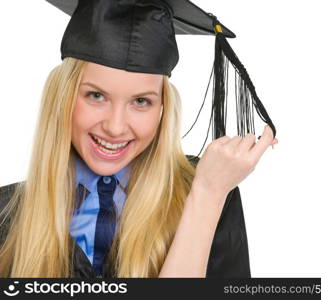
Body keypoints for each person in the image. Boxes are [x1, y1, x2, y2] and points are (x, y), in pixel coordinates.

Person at [0, 0, 278, 278]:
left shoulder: (208, 193)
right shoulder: (6, 213)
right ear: (62, 98)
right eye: (96, 96)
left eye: (141, 101)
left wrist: (207, 195)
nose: (115, 127)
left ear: (162, 110)